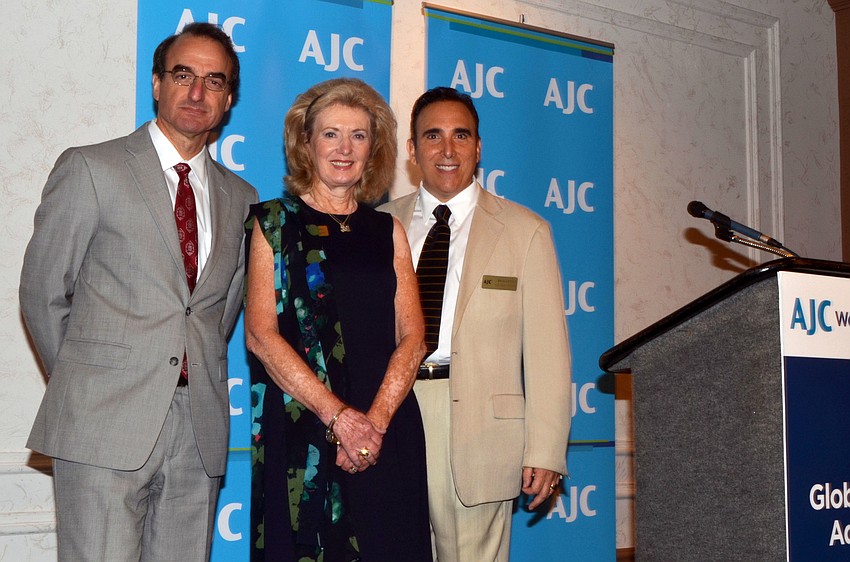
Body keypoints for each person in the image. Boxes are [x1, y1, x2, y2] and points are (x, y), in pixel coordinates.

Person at [19, 23, 258, 561]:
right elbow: (42, 291)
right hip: (102, 419)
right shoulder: (92, 168)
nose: (197, 92)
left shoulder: (242, 199)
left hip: (198, 429)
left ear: (227, 101)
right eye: (183, 75)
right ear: (156, 84)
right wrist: (91, 379)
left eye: (214, 81)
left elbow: (216, 319)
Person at [379, 87, 572, 562]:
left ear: (479, 147)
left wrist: (546, 449)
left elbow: (548, 351)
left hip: (479, 430)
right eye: (433, 136)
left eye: (460, 135)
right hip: (391, 412)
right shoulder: (378, 225)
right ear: (412, 150)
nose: (447, 150)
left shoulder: (526, 231)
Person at [244, 77, 431, 562]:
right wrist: (341, 420)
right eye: (330, 134)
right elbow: (262, 337)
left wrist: (376, 424)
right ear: (305, 143)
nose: (345, 148)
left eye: (359, 135)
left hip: (388, 431)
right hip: (305, 431)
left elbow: (413, 337)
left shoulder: (388, 230)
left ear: (375, 148)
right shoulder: (272, 224)